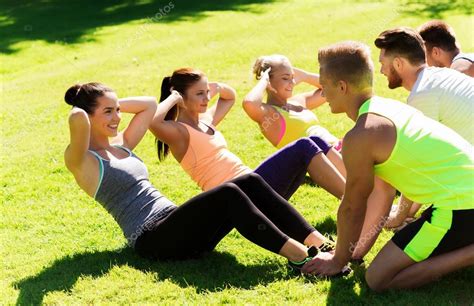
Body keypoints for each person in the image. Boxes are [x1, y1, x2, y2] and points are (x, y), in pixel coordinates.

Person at [63, 82, 338, 272]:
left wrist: (170, 97)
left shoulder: (121, 145)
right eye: (108, 112)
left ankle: (317, 242)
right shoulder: (82, 160)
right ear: (88, 116)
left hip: (177, 223)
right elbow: (77, 119)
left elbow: (148, 105)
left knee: (248, 182)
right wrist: (83, 102)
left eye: (118, 110)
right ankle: (301, 259)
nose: (117, 118)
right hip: (152, 238)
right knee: (229, 192)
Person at [150, 68, 393, 262]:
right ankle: (357, 204)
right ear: (181, 98)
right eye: (199, 94)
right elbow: (153, 121)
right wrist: (173, 97)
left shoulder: (205, 120)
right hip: (237, 197)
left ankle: (355, 202)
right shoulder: (178, 133)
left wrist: (214, 87)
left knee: (311, 142)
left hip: (255, 184)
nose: (206, 99)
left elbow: (229, 96)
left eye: (206, 92)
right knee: (304, 147)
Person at [302, 41, 474, 291]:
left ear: (342, 86)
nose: (323, 93)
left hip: (461, 205)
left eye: (324, 85)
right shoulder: (387, 108)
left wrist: (338, 260)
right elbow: (382, 193)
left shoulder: (362, 135)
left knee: (378, 280)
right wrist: (354, 253)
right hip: (461, 197)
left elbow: (352, 205)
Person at [374, 27, 474, 227]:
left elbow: (420, 164)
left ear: (399, 63)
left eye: (383, 64)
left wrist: (399, 216)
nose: (381, 71)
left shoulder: (423, 94)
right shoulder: (439, 77)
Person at [243, 55, 344, 161]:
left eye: (292, 77)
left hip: (340, 149)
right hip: (329, 160)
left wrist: (306, 76)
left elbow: (332, 87)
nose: (292, 83)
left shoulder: (298, 101)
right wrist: (263, 81)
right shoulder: (269, 115)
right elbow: (249, 102)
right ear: (269, 80)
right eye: (285, 78)